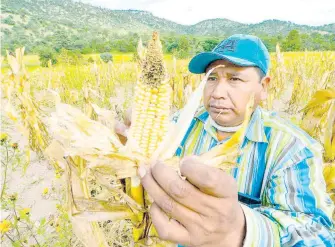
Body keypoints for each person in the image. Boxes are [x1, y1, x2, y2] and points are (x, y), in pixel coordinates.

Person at [116, 34, 335, 246]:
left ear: (264, 86)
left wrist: (240, 231)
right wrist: (126, 153)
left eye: (234, 78)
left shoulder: (293, 148)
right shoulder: (177, 127)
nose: (217, 92)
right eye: (212, 78)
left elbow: (320, 236)